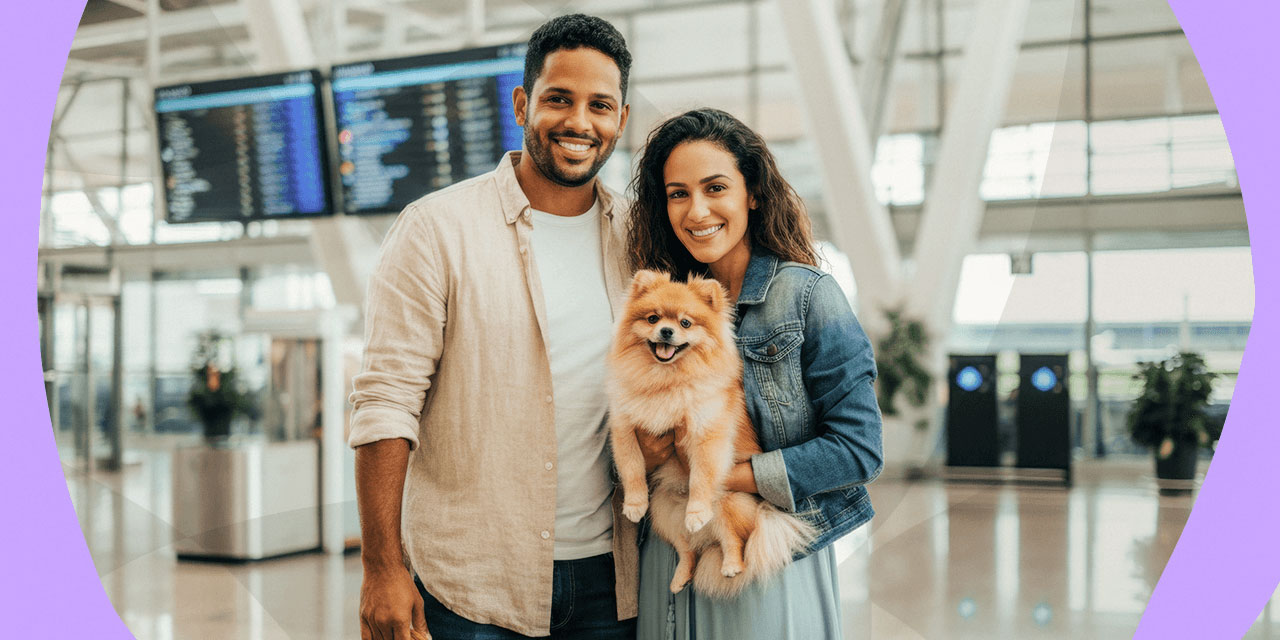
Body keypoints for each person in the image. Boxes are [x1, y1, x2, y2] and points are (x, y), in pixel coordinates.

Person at [347, 14, 637, 640]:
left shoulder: (640, 239)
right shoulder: (436, 229)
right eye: (558, 99)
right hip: (470, 585)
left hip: (615, 583)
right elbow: (386, 401)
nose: (579, 122)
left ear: (621, 119)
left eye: (599, 105)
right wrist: (381, 567)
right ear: (522, 104)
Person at [625, 108, 884, 639]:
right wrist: (649, 456)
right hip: (671, 560)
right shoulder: (656, 308)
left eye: (715, 187)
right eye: (677, 194)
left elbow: (860, 449)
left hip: (764, 562)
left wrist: (720, 477)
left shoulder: (808, 296)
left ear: (754, 194)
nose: (697, 210)